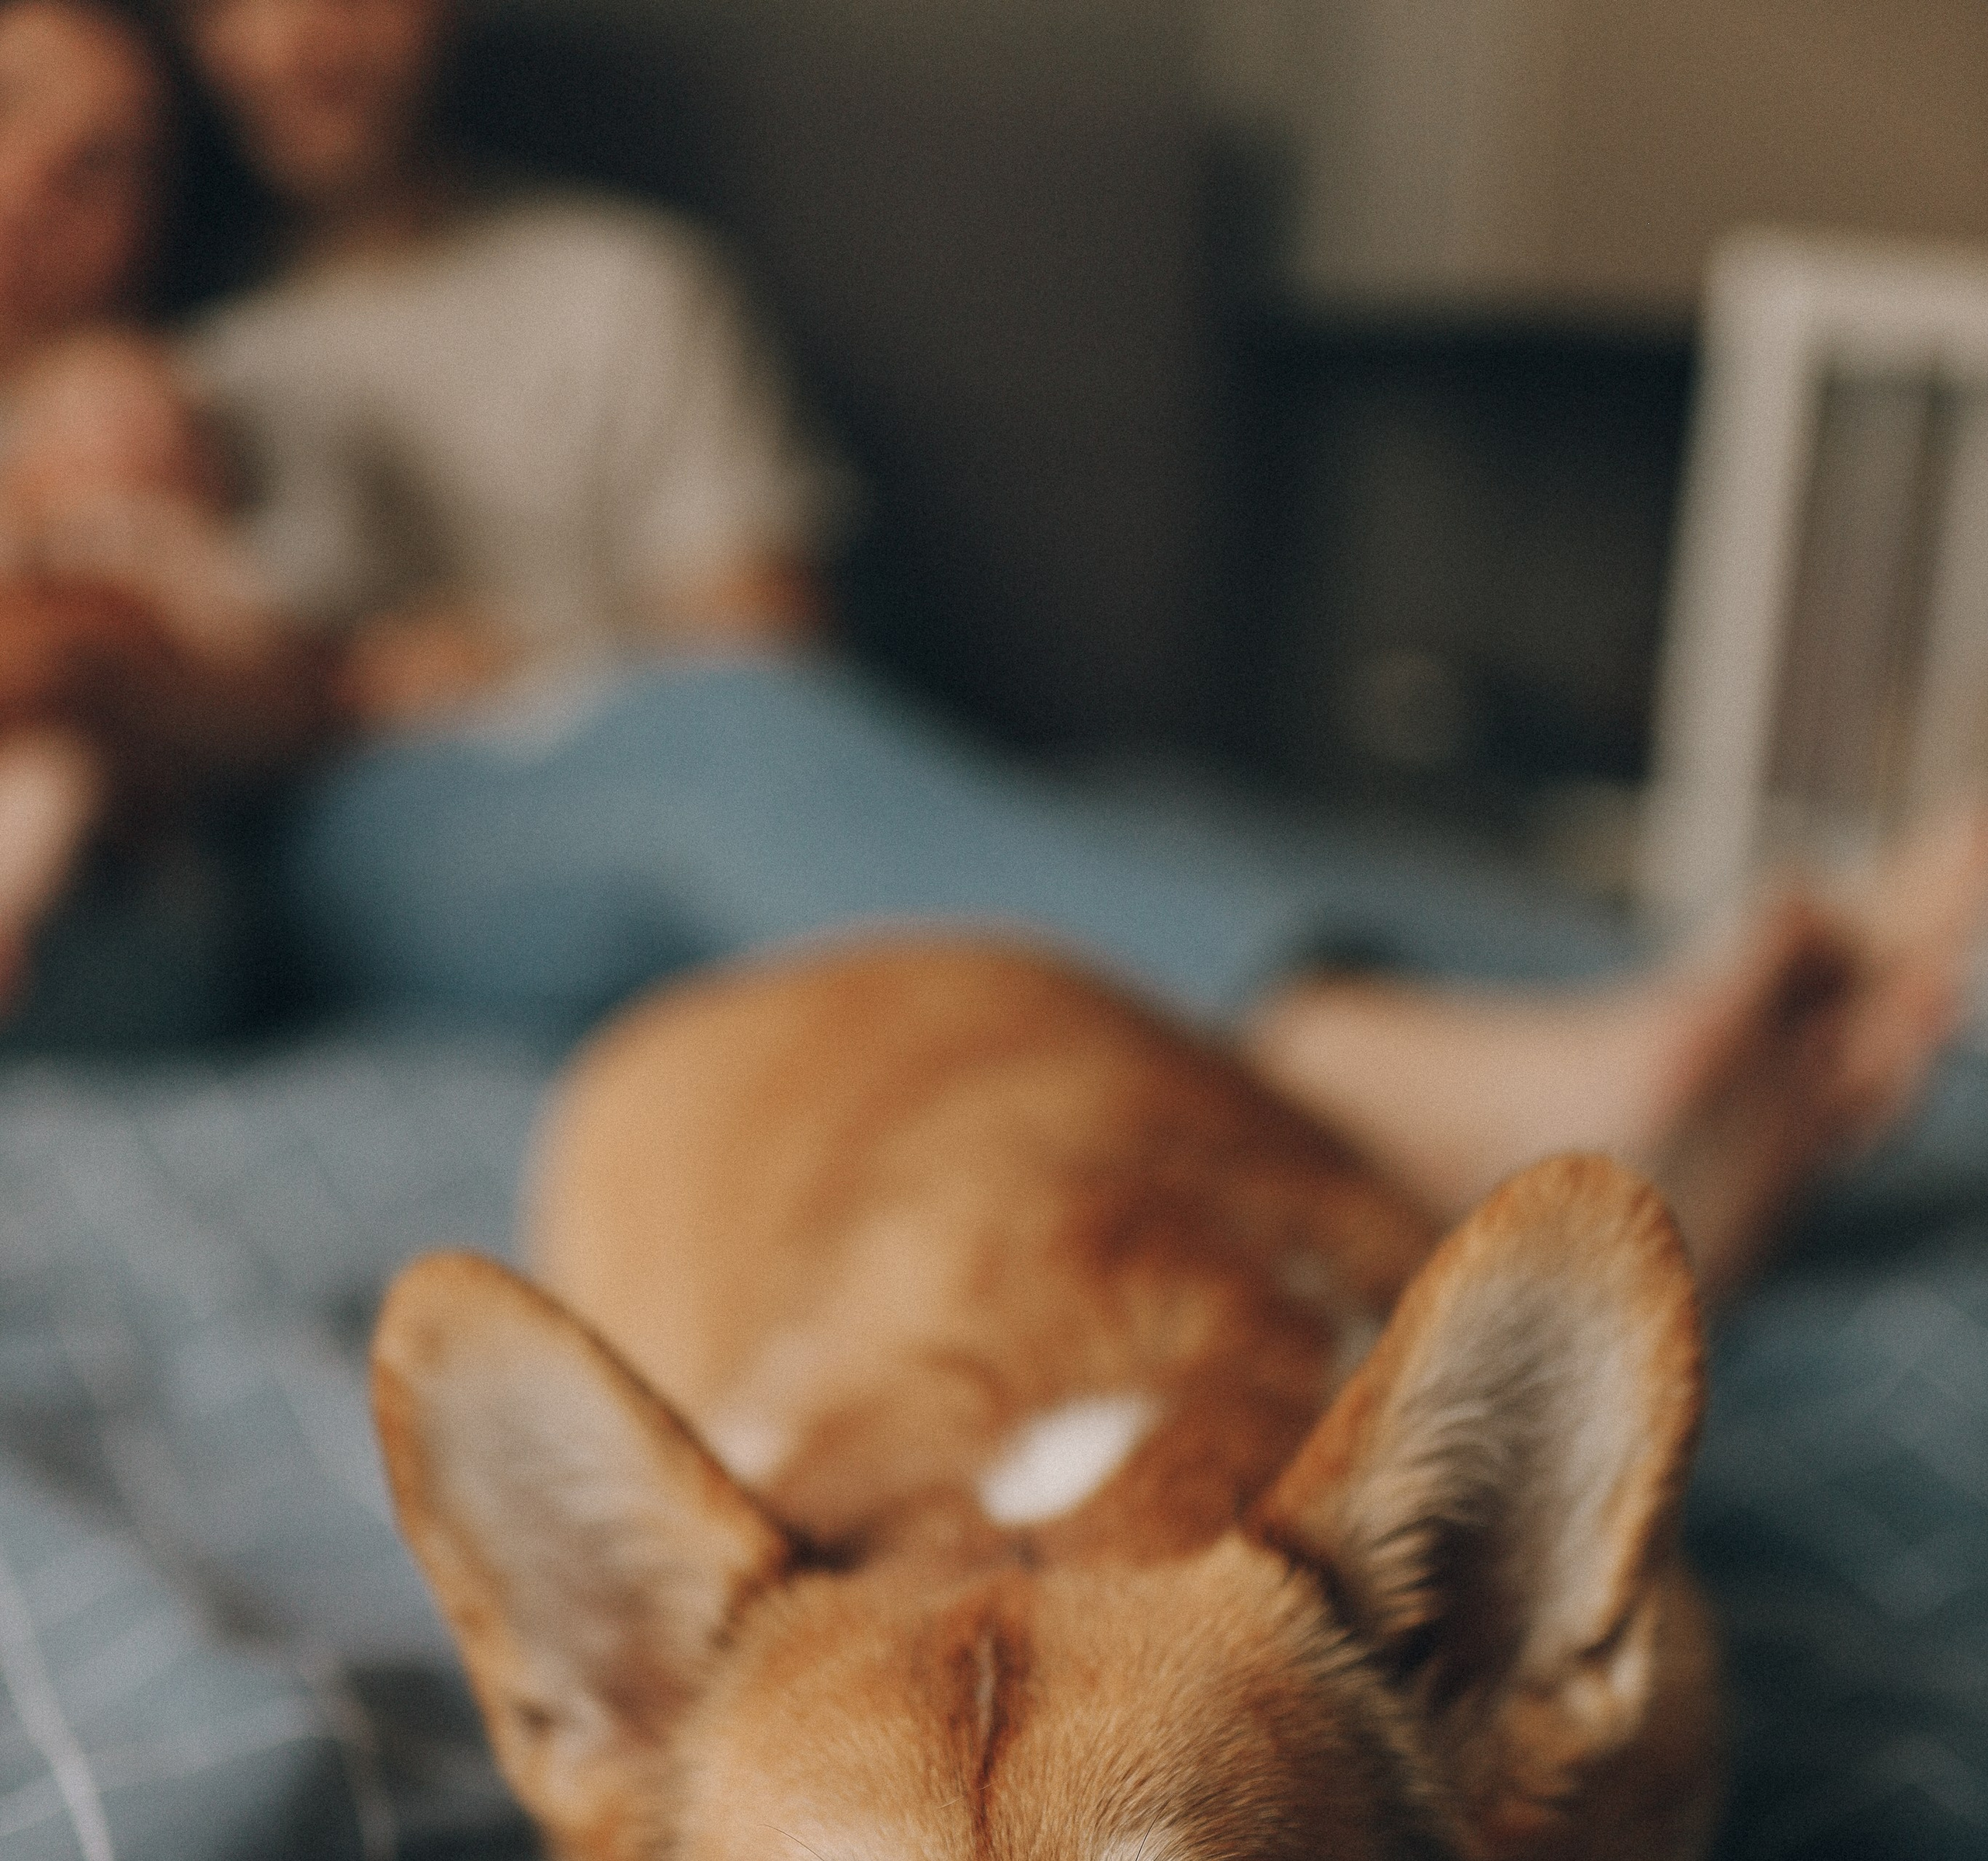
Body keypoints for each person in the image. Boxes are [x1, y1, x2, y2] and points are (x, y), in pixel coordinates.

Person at [73, 0, 1977, 1284]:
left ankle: (1746, 993)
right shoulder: (160, 370)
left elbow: (769, 635)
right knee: (719, 750)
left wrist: (534, 655)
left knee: (1105, 819)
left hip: (665, 731)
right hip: (379, 828)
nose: (310, 33)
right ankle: (1508, 1105)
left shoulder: (615, 285)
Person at [0, 0, 332, 1030]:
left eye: (104, 160)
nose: (37, 178)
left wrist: (91, 660)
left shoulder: (202, 402)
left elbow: (287, 696)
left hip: (115, 894)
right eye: (6, 108)